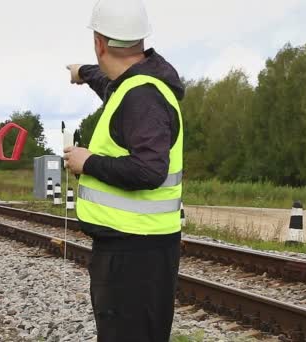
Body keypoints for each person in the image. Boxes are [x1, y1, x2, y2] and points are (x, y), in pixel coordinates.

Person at [63, 0, 185, 340]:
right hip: (138, 247)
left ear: (99, 42)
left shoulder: (142, 96)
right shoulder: (136, 86)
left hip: (135, 254)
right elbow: (111, 83)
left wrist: (87, 162)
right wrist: (85, 72)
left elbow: (149, 170)